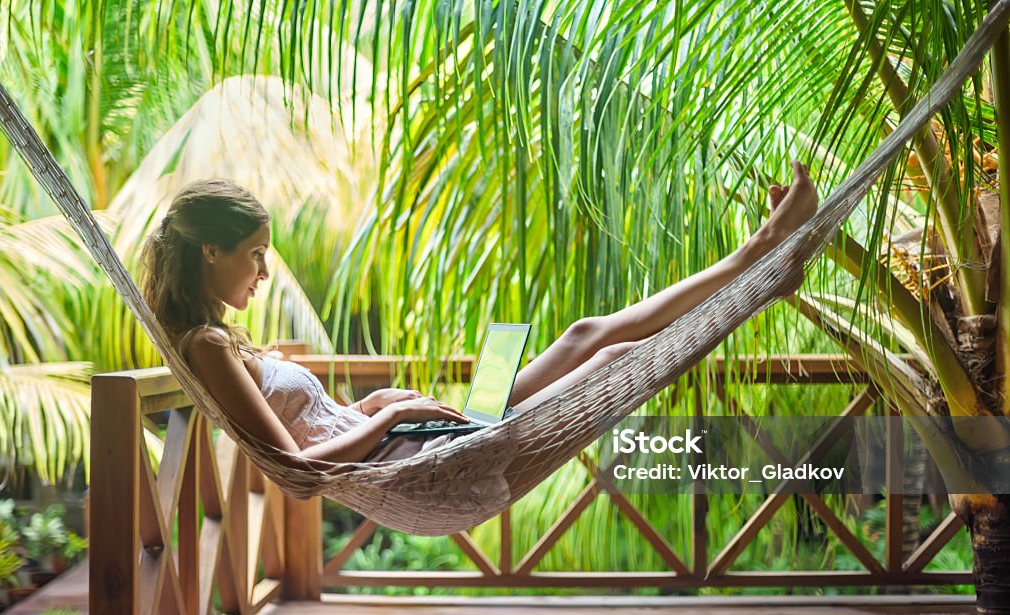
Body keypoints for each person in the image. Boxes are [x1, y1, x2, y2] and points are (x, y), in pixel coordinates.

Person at [141, 161, 818, 469]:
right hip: (426, 459)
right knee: (611, 359)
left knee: (585, 335)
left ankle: (757, 255)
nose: (264, 272)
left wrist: (374, 403)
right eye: (255, 255)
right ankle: (764, 276)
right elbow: (297, 472)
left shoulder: (222, 338)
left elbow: (316, 424)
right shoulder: (207, 345)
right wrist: (389, 418)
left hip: (426, 440)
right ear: (210, 251)